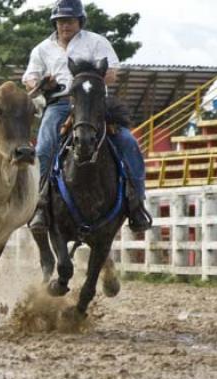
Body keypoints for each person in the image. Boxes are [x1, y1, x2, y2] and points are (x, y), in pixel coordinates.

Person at [23, 0, 152, 233]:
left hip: (94, 103)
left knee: (128, 142)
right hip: (59, 103)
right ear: (55, 23)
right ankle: (40, 205)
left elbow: (112, 73)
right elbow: (29, 79)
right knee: (43, 149)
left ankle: (137, 204)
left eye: (70, 20)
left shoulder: (96, 42)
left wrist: (90, 77)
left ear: (80, 21)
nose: (65, 25)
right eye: (61, 21)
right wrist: (41, 84)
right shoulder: (42, 49)